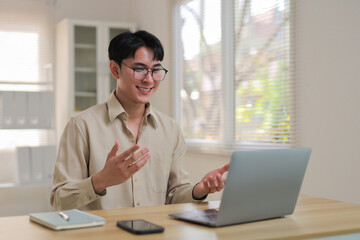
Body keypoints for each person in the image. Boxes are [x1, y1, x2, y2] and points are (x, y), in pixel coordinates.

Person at [50, 30, 229, 211]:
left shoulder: (170, 129)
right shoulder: (81, 126)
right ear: (115, 69)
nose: (149, 79)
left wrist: (200, 189)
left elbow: (174, 195)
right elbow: (59, 200)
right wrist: (101, 180)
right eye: (139, 69)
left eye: (156, 70)